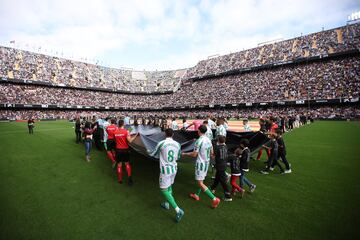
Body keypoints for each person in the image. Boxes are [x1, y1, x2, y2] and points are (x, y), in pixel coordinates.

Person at [150, 128, 184, 222]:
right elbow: (179, 157)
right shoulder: (178, 144)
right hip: (174, 169)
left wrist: (148, 150)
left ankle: (178, 210)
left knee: (163, 189)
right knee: (169, 186)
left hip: (165, 170)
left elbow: (153, 154)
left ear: (165, 134)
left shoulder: (161, 143)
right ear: (173, 134)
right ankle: (166, 203)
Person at [182, 125, 221, 209]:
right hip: (206, 163)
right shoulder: (208, 140)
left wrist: (185, 153)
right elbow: (212, 153)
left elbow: (194, 154)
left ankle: (214, 199)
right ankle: (196, 195)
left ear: (199, 131)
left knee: (200, 183)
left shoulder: (199, 141)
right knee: (201, 181)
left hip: (201, 164)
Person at [113, 119, 138, 185]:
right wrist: (136, 135)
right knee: (127, 163)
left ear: (118, 124)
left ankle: (120, 180)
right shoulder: (126, 131)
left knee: (119, 165)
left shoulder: (115, 132)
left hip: (118, 150)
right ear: (123, 124)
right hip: (125, 150)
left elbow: (115, 140)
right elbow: (130, 140)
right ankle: (129, 178)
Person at [210, 136, 232, 201]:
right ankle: (212, 188)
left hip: (220, 166)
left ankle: (228, 196)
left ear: (218, 141)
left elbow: (213, 156)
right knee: (217, 177)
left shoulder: (217, 148)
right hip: (224, 164)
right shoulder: (225, 146)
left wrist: (210, 153)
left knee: (223, 181)